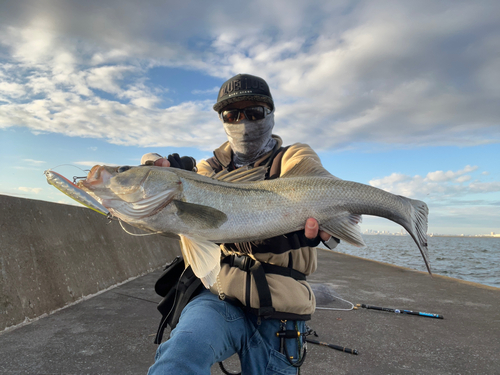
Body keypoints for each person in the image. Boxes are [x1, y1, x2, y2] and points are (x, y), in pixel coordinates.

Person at [143, 74, 339, 375]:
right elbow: (189, 213)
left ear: (271, 114)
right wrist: (174, 183)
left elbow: (316, 183)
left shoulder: (293, 157)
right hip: (221, 296)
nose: (243, 122)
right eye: (232, 114)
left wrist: (326, 215)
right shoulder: (209, 169)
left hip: (282, 307)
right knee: (176, 360)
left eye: (255, 112)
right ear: (222, 119)